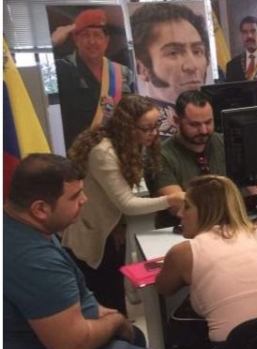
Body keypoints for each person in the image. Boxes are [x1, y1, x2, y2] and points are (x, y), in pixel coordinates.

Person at [4, 154, 163, 349]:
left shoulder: (17, 225)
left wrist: (95, 310)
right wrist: (116, 321)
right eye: (75, 195)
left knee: (136, 337)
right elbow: (71, 345)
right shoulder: (33, 260)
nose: (84, 200)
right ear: (40, 209)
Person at [156, 175, 257, 349]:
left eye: (187, 207)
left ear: (206, 210)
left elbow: (163, 287)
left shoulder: (184, 252)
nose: (179, 214)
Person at [63, 94, 185, 314]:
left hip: (114, 230)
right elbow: (126, 203)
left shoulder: (134, 144)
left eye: (156, 125)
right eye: (146, 128)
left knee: (116, 300)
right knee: (104, 302)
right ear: (127, 127)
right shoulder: (103, 152)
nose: (154, 133)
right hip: (94, 235)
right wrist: (171, 200)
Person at [52, 8, 134, 149]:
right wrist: (53, 42)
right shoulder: (62, 68)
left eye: (97, 35)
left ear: (106, 41)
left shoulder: (123, 72)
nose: (92, 41)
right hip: (79, 153)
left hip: (117, 149)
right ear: (76, 40)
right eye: (85, 35)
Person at [130, 2, 211, 136]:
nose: (192, 66)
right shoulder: (137, 132)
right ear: (142, 68)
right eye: (174, 53)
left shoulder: (215, 116)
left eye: (197, 51)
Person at [146, 89, 225, 229]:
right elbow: (179, 207)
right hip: (179, 234)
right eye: (195, 125)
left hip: (224, 228)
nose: (204, 130)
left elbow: (255, 187)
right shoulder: (160, 155)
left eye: (208, 122)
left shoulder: (223, 143)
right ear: (176, 121)